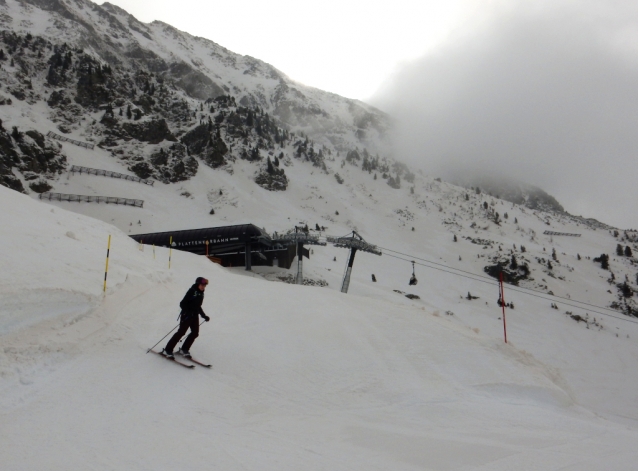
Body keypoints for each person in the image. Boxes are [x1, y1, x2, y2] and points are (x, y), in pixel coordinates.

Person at [162, 277, 210, 358]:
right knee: (181, 332)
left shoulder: (201, 294)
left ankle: (184, 349)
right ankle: (168, 349)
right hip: (186, 315)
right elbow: (182, 303)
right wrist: (188, 312)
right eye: (202, 285)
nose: (203, 287)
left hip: (194, 316)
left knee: (195, 333)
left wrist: (204, 315)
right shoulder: (192, 291)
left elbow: (198, 306)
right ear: (198, 284)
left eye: (204, 286)